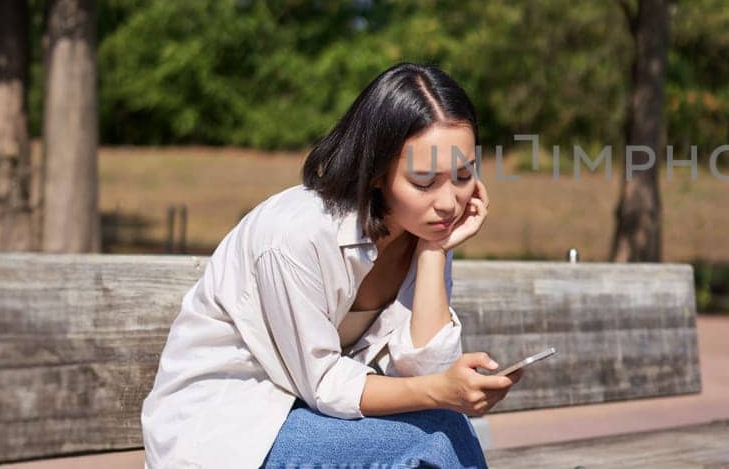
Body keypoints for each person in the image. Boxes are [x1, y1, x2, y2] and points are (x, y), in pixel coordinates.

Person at [141, 63, 516, 468]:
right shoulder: (296, 235)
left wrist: (433, 252)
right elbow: (326, 384)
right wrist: (441, 391)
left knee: (442, 430)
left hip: (314, 414)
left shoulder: (424, 228)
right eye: (424, 181)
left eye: (463, 177)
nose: (448, 203)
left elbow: (427, 373)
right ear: (375, 171)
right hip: (234, 424)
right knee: (436, 440)